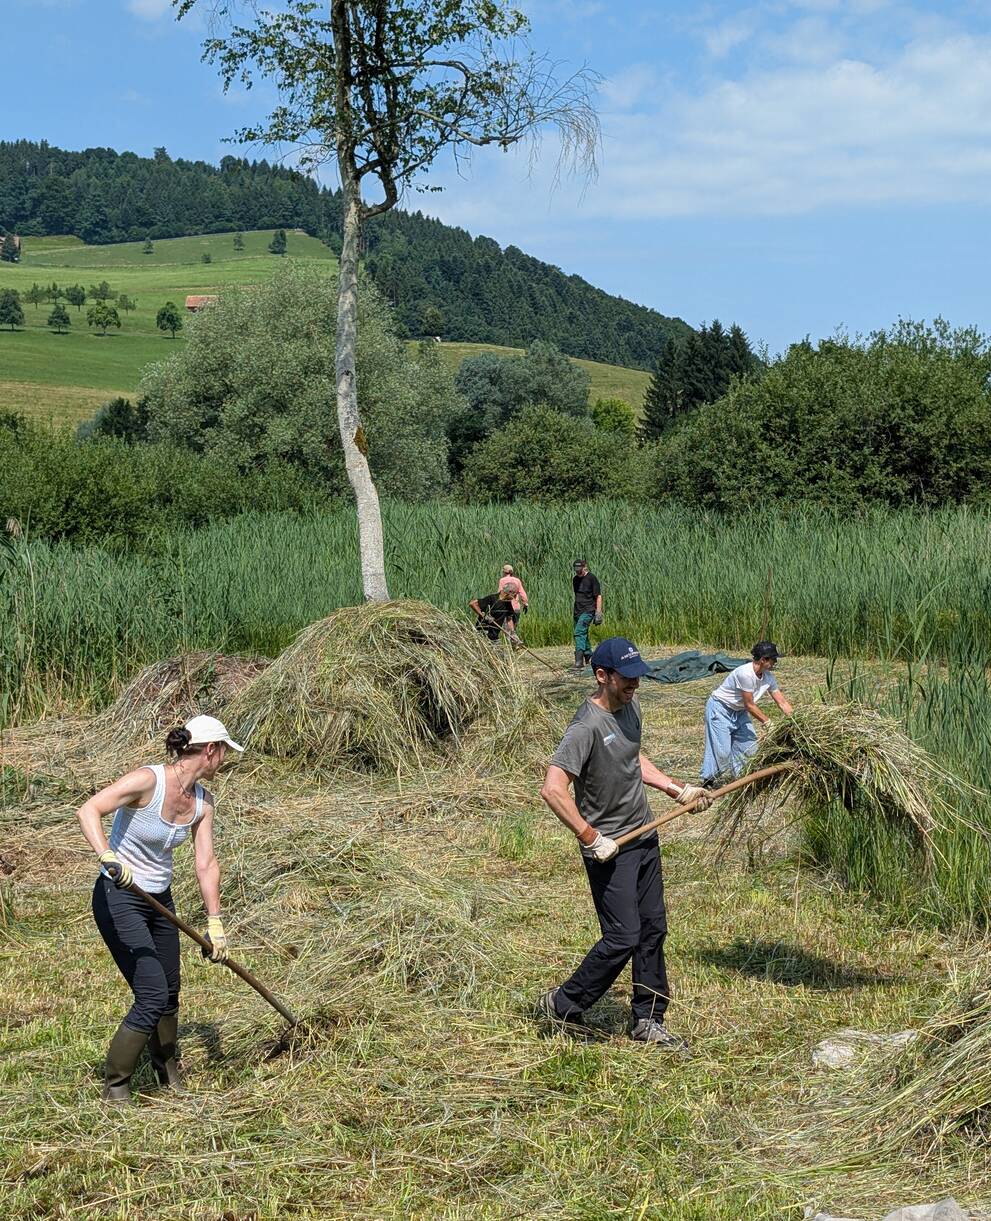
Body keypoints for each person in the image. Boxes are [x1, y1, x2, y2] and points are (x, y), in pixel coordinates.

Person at [538, 637, 712, 1047]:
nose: (636, 684)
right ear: (602, 676)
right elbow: (552, 788)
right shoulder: (585, 727)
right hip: (610, 849)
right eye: (627, 678)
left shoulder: (631, 706)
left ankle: (648, 1020)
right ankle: (562, 1004)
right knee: (623, 936)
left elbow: (633, 757)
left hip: (643, 835)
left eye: (638, 676)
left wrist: (675, 789)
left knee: (653, 929)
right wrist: (590, 837)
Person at [76, 714, 243, 1103]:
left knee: (169, 993)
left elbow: (206, 863)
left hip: (159, 901)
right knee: (151, 993)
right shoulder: (147, 781)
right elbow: (89, 810)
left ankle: (169, 1075)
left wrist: (215, 922)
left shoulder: (203, 801)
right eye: (224, 754)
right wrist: (108, 856)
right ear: (211, 751)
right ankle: (115, 1089)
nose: (224, 762)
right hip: (120, 896)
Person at [700, 641, 794, 786]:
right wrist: (767, 722)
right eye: (773, 659)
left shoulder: (768, 677)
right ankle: (708, 780)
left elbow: (782, 702)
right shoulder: (745, 674)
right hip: (720, 709)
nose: (775, 662)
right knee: (722, 751)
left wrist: (795, 721)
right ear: (763, 660)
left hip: (739, 712)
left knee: (750, 749)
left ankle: (741, 780)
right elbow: (749, 705)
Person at [572, 558, 603, 671]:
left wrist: (598, 612)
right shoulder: (575, 579)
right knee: (582, 634)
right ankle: (589, 655)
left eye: (579, 568)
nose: (577, 571)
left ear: (584, 567)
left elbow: (598, 596)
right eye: (576, 569)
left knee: (579, 632)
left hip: (588, 610)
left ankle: (578, 661)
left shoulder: (591, 578)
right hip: (577, 611)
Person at [497, 564, 529, 634]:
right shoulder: (517, 580)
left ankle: (510, 642)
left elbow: (500, 593)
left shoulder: (502, 580)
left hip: (507, 607)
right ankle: (514, 642)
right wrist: (525, 604)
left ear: (504, 572)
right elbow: (522, 593)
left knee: (508, 629)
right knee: (514, 627)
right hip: (516, 607)